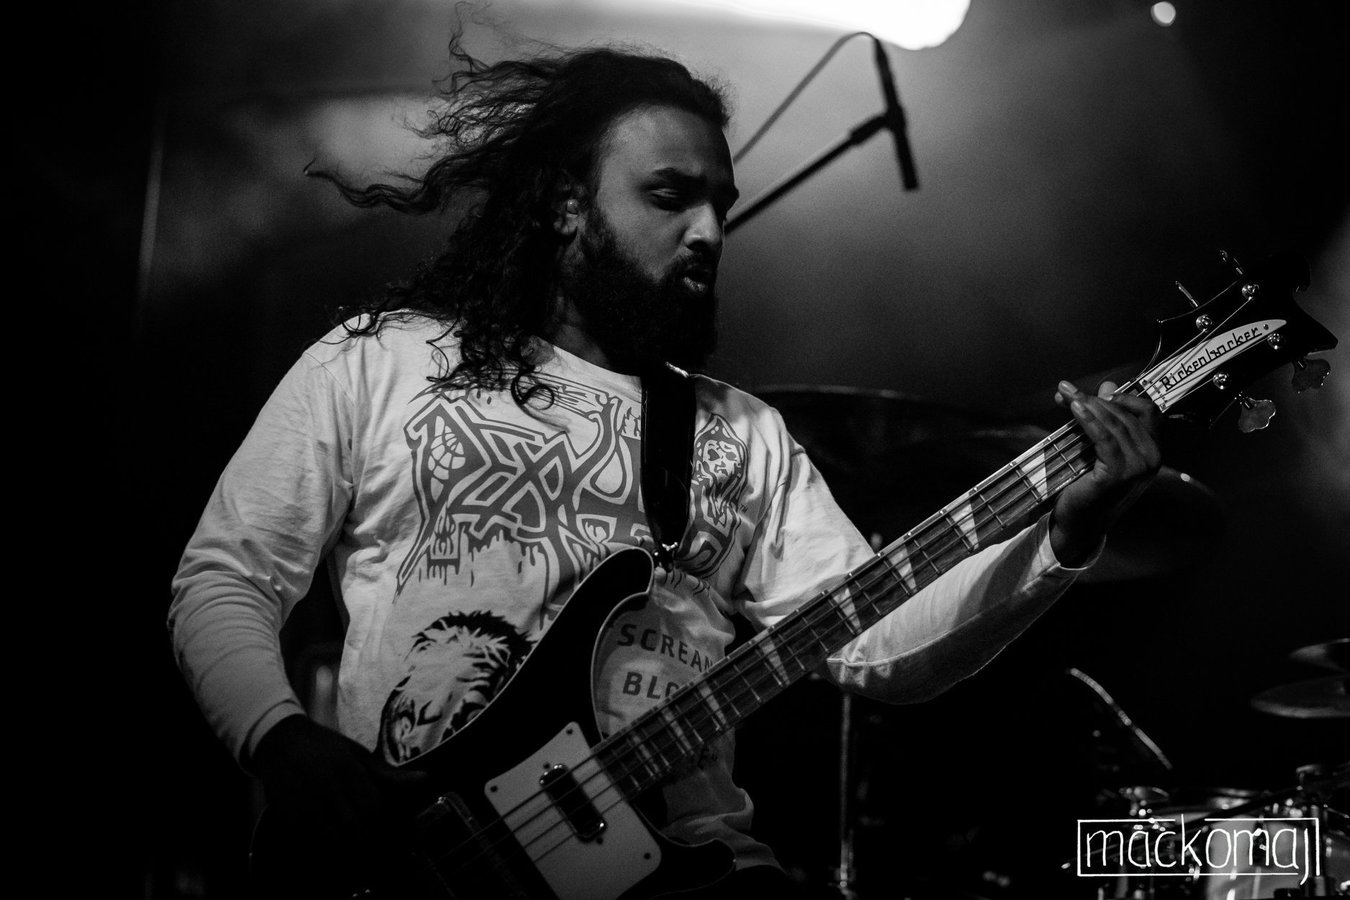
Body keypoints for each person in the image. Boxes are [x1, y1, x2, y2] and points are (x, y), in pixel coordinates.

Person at [168, 36, 1162, 900]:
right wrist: (277, 736)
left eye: (720, 204)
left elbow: (884, 648)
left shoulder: (744, 435)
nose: (711, 232)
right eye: (670, 196)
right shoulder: (380, 362)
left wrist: (1063, 534)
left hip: (693, 872)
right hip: (428, 859)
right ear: (566, 204)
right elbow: (224, 576)